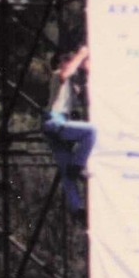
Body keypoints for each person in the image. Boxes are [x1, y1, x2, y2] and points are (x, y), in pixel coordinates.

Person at [43, 45, 95, 216]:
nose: (69, 62)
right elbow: (67, 72)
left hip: (55, 125)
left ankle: (76, 208)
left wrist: (86, 66)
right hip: (54, 120)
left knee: (66, 173)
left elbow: (85, 90)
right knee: (91, 132)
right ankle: (78, 165)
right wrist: (81, 54)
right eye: (66, 60)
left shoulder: (71, 86)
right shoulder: (58, 75)